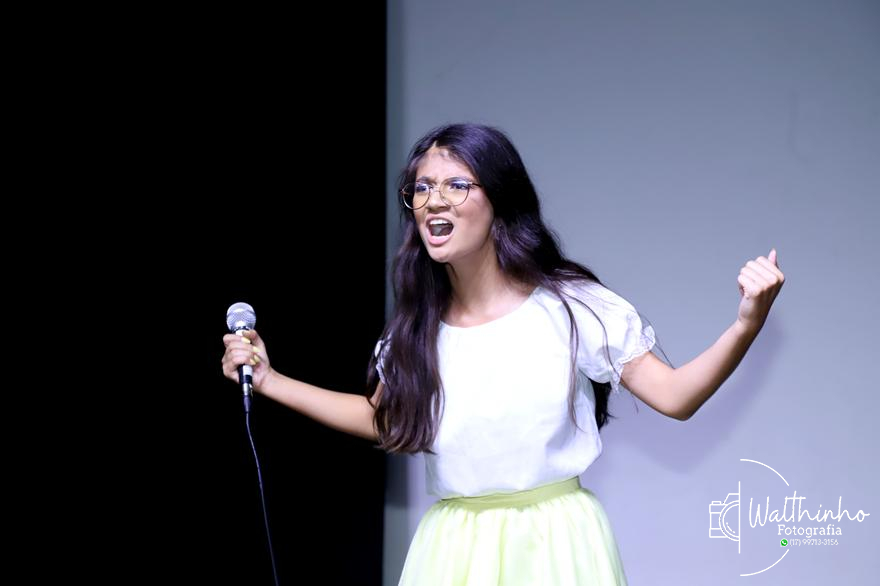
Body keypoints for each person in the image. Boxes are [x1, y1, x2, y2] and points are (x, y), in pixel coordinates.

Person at [221, 123, 785, 585]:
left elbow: (676, 397)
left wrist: (746, 324)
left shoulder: (572, 307)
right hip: (453, 548)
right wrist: (270, 380)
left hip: (557, 543)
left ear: (500, 199)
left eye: (456, 184)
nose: (434, 200)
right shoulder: (416, 328)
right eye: (421, 188)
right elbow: (385, 419)